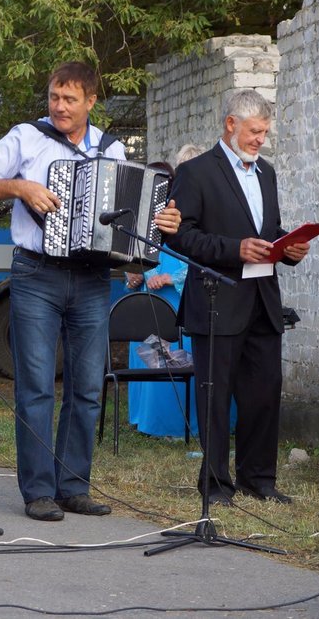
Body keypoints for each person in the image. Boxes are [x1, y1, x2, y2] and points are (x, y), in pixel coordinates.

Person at [0, 61, 181, 521]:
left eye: (70, 99)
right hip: (35, 273)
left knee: (87, 387)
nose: (59, 107)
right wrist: (19, 187)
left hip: (93, 278)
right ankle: (39, 491)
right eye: (54, 97)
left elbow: (137, 217)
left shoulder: (112, 149)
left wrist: (164, 223)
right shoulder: (26, 137)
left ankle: (72, 486)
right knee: (36, 387)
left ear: (91, 102)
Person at [166, 89, 309, 506]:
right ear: (231, 124)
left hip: (264, 300)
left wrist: (290, 246)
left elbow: (271, 230)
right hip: (217, 301)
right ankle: (215, 484)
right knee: (215, 396)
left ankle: (259, 479)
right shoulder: (196, 172)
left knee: (264, 393)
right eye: (254, 131)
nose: (260, 139)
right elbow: (181, 235)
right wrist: (234, 249)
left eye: (265, 132)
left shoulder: (267, 172)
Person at [124, 161, 194, 438]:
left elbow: (200, 261)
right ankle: (145, 420)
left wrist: (168, 278)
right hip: (147, 301)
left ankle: (172, 424)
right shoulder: (138, 216)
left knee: (173, 359)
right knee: (147, 355)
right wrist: (132, 276)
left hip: (174, 301)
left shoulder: (183, 216)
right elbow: (131, 258)